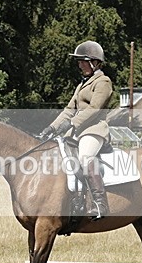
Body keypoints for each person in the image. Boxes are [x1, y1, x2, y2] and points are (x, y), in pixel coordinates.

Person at [38, 40, 113, 219]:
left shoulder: (103, 82)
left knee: (85, 157)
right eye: (79, 62)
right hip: (77, 132)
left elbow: (94, 108)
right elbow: (68, 110)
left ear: (94, 63)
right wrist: (52, 127)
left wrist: (72, 123)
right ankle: (74, 200)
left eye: (83, 61)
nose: (79, 65)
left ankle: (100, 203)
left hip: (94, 130)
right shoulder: (81, 85)